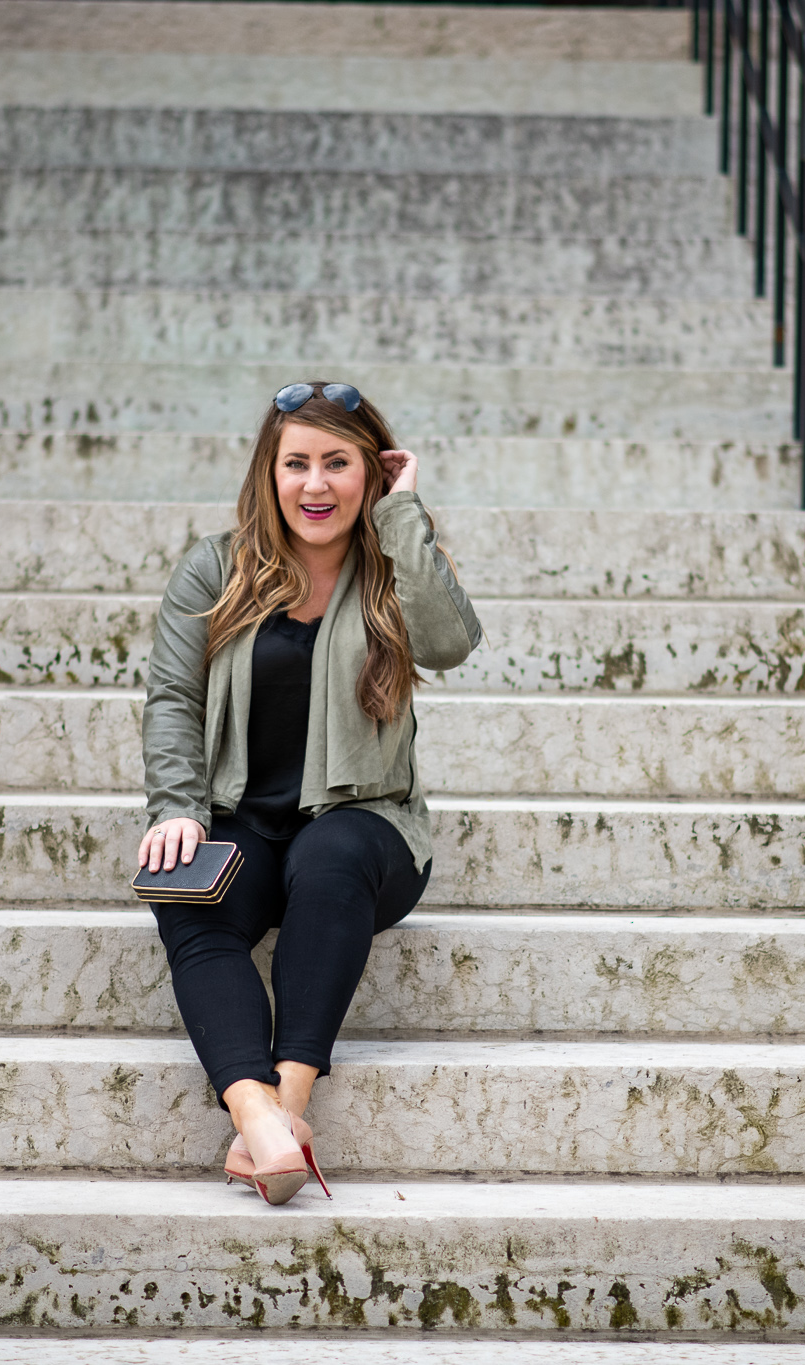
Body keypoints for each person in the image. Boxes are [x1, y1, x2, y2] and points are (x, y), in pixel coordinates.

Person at [137, 380, 483, 1205]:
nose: (316, 485)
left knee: (328, 859)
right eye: (297, 464)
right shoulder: (213, 569)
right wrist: (178, 808)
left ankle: (288, 1099)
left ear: (372, 472)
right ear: (270, 471)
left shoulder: (396, 567)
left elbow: (451, 642)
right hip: (242, 818)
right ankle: (260, 1116)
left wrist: (404, 517)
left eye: (339, 463)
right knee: (189, 901)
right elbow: (173, 700)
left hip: (367, 825)